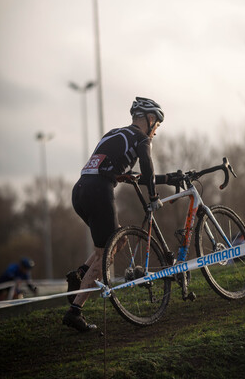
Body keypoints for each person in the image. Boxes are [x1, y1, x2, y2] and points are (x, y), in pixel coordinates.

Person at [63, 97, 171, 332]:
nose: (156, 132)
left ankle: (81, 273)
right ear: (150, 120)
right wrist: (154, 197)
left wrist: (163, 178)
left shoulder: (115, 133)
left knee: (116, 242)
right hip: (99, 192)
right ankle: (75, 311)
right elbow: (147, 167)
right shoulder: (142, 139)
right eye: (157, 125)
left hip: (80, 190)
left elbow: (115, 168)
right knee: (106, 254)